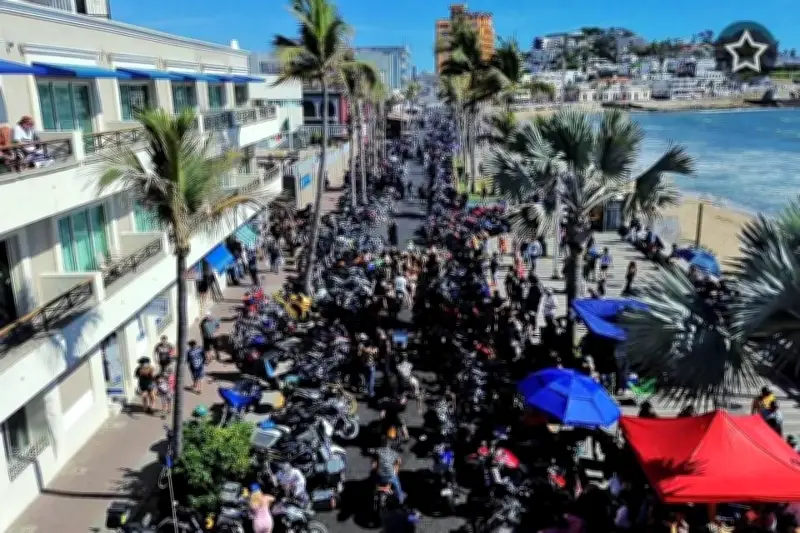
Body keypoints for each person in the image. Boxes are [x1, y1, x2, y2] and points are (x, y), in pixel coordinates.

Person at [373, 438, 405, 504]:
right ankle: (400, 497)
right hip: (390, 476)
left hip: (381, 474)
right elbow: (399, 462)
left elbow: (374, 462)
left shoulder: (379, 450)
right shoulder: (394, 453)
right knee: (397, 485)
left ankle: (381, 488)